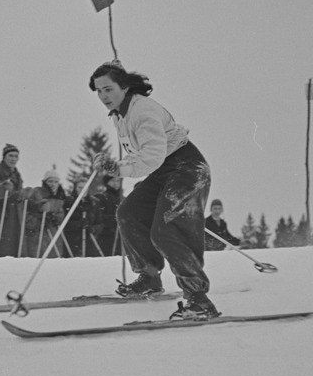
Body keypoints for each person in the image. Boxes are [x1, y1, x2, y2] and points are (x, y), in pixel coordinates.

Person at [89, 61, 219, 320]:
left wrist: (116, 168)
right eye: (99, 91)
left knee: (167, 229)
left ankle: (198, 298)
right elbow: (145, 157)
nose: (103, 96)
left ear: (124, 87)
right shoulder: (120, 114)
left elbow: (151, 156)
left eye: (108, 89)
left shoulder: (143, 112)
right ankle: (149, 277)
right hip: (164, 171)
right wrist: (115, 164)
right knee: (129, 212)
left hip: (187, 169)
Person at [0, 143, 23, 257]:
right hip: (0, 212)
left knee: (14, 245)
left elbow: (17, 193)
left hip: (13, 213)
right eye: (10, 156)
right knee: (1, 245)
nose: (13, 159)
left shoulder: (17, 174)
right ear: (4, 157)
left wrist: (22, 194)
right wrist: (3, 187)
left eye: (16, 156)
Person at [23, 169, 66, 258]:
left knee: (53, 259)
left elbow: (61, 216)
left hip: (53, 236)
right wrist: (39, 219)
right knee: (37, 257)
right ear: (45, 182)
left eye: (56, 182)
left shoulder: (59, 197)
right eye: (50, 181)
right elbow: (27, 213)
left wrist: (54, 218)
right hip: (37, 235)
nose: (53, 184)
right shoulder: (37, 193)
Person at [64, 178, 104, 257]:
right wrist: (78, 224)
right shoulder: (68, 202)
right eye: (80, 187)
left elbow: (100, 223)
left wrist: (93, 229)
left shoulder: (94, 202)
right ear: (75, 188)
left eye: (85, 187)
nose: (83, 190)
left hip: (90, 241)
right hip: (73, 241)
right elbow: (63, 223)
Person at [94, 175, 122, 256]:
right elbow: (98, 216)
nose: (116, 183)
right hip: (105, 235)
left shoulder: (123, 198)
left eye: (118, 181)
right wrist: (115, 218)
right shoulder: (100, 197)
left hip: (121, 235)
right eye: (113, 181)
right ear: (107, 183)